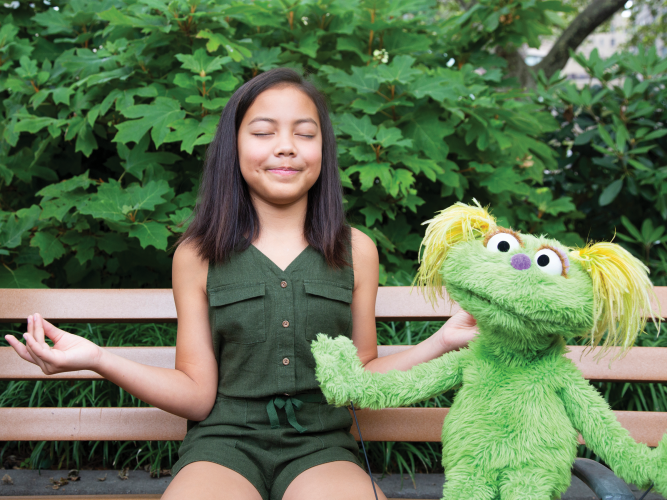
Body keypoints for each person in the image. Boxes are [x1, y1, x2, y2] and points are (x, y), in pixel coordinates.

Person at [4, 68, 478, 500]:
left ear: (322, 150)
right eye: (264, 132)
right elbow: (196, 393)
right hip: (222, 447)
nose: (286, 146)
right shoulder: (197, 254)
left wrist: (442, 341)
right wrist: (97, 359)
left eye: (305, 134)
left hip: (322, 449)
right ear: (235, 146)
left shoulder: (357, 250)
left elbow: (360, 381)